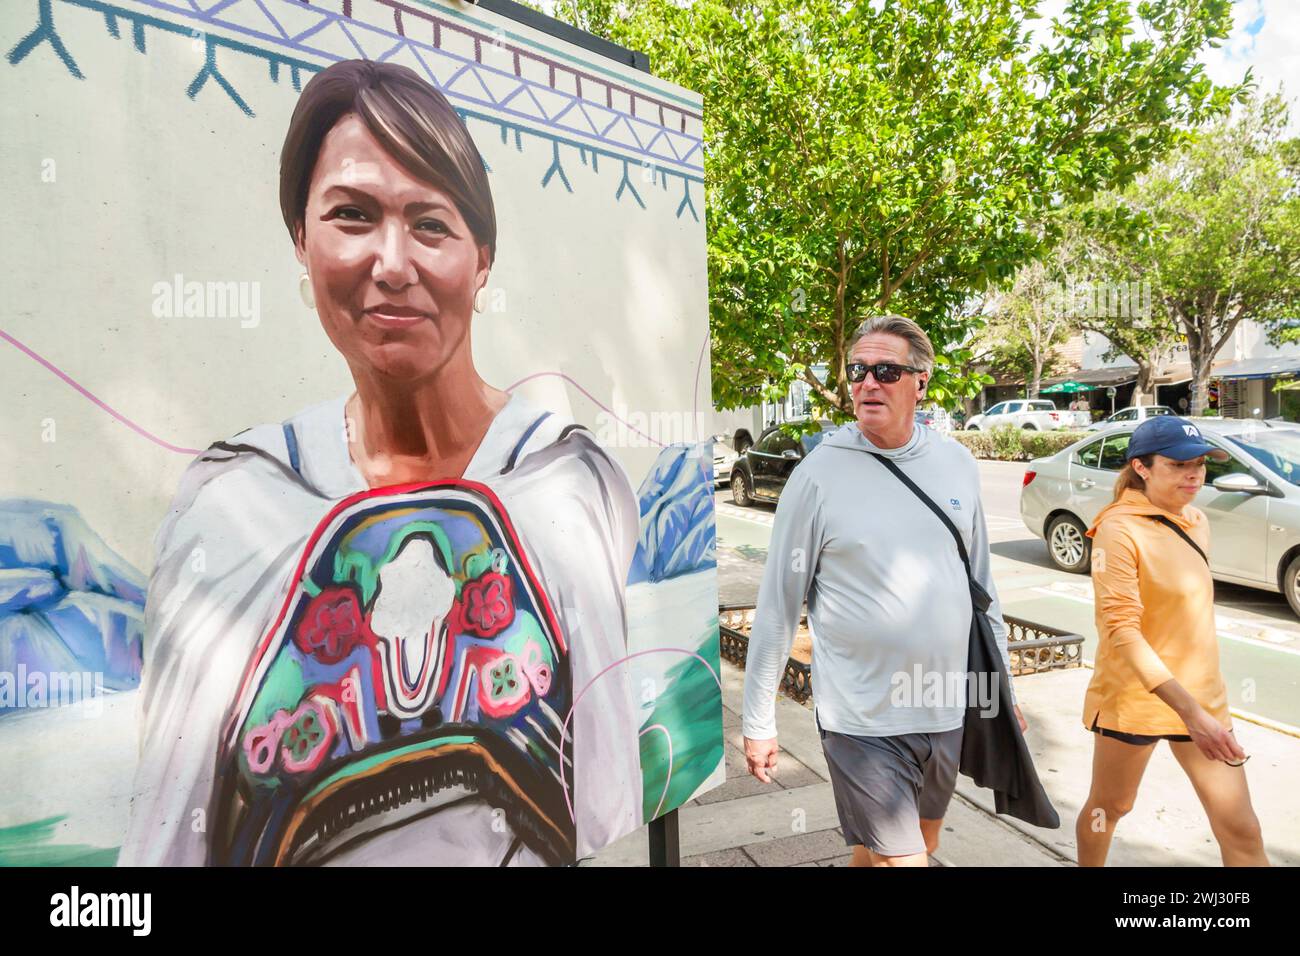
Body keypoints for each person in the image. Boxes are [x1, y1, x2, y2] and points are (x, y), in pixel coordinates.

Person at [121, 60, 641, 866]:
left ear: (483, 258)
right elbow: (167, 835)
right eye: (352, 215)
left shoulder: (570, 486)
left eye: (430, 224)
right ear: (302, 240)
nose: (392, 263)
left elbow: (603, 805)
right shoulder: (230, 511)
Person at [741, 314, 1027, 867]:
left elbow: (981, 590)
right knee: (905, 858)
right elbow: (779, 605)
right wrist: (758, 721)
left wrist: (1003, 692)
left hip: (944, 708)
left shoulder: (955, 463)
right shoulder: (818, 475)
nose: (868, 382)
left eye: (886, 370)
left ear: (921, 381)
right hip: (861, 717)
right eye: (858, 371)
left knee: (907, 845)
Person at [1076, 416, 1268, 866]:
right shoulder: (1118, 530)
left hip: (1203, 698)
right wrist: (1190, 713)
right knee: (1111, 808)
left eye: (1200, 464)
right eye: (1179, 465)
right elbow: (1122, 630)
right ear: (1141, 467)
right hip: (1137, 699)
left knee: (1241, 826)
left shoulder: (1196, 520)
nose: (1194, 475)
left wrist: (1200, 711)